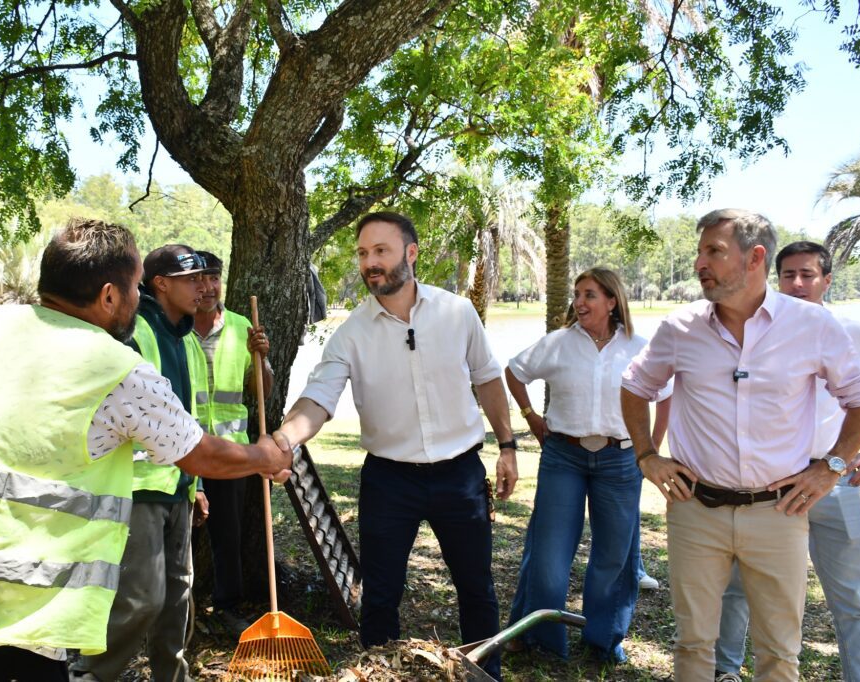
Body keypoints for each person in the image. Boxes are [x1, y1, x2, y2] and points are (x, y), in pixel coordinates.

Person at [0, 219, 291, 682]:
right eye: (132, 289)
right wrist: (267, 456)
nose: (135, 301)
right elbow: (201, 454)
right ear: (109, 295)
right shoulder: (115, 367)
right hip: (4, 625)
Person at [620, 208, 860, 681]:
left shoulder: (812, 326)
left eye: (714, 251)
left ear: (755, 257)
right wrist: (647, 455)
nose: (701, 262)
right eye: (700, 250)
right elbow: (636, 386)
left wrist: (832, 466)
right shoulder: (680, 328)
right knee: (693, 643)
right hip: (696, 510)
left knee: (779, 651)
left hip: (780, 513)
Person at [274, 211, 518, 680]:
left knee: (477, 589)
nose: (370, 263)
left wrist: (507, 446)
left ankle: (486, 676)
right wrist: (285, 439)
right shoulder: (351, 333)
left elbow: (488, 379)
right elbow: (318, 398)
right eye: (363, 254)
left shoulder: (457, 312)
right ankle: (379, 674)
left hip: (460, 475)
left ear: (411, 253)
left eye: (380, 251)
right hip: (389, 481)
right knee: (381, 596)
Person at [714, 240, 860, 682]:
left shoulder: (854, 333)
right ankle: (725, 672)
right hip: (767, 484)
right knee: (737, 589)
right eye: (788, 274)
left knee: (852, 602)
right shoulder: (755, 334)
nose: (798, 283)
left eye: (808, 274)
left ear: (827, 281)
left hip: (834, 481)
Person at [504, 268, 669, 663]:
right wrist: (530, 416)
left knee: (614, 554)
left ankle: (603, 640)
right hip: (564, 456)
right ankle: (541, 640)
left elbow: (666, 395)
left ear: (612, 301)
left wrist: (650, 450)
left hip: (620, 459)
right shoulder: (559, 343)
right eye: (577, 294)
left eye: (589, 295)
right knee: (548, 551)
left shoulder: (639, 347)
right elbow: (513, 372)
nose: (579, 302)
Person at [72, 244, 207, 682]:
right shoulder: (136, 331)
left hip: (179, 486)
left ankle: (173, 676)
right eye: (191, 279)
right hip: (138, 486)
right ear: (160, 284)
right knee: (141, 598)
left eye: (204, 278)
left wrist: (197, 483)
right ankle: (91, 673)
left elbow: (191, 417)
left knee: (178, 596)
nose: (202, 287)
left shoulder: (186, 337)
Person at [185, 250, 273, 636]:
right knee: (175, 534)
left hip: (228, 450)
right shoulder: (175, 327)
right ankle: (178, 612)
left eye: (214, 278)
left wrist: (262, 359)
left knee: (228, 535)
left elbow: (261, 391)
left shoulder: (241, 327)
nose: (208, 288)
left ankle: (227, 606)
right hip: (179, 449)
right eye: (198, 280)